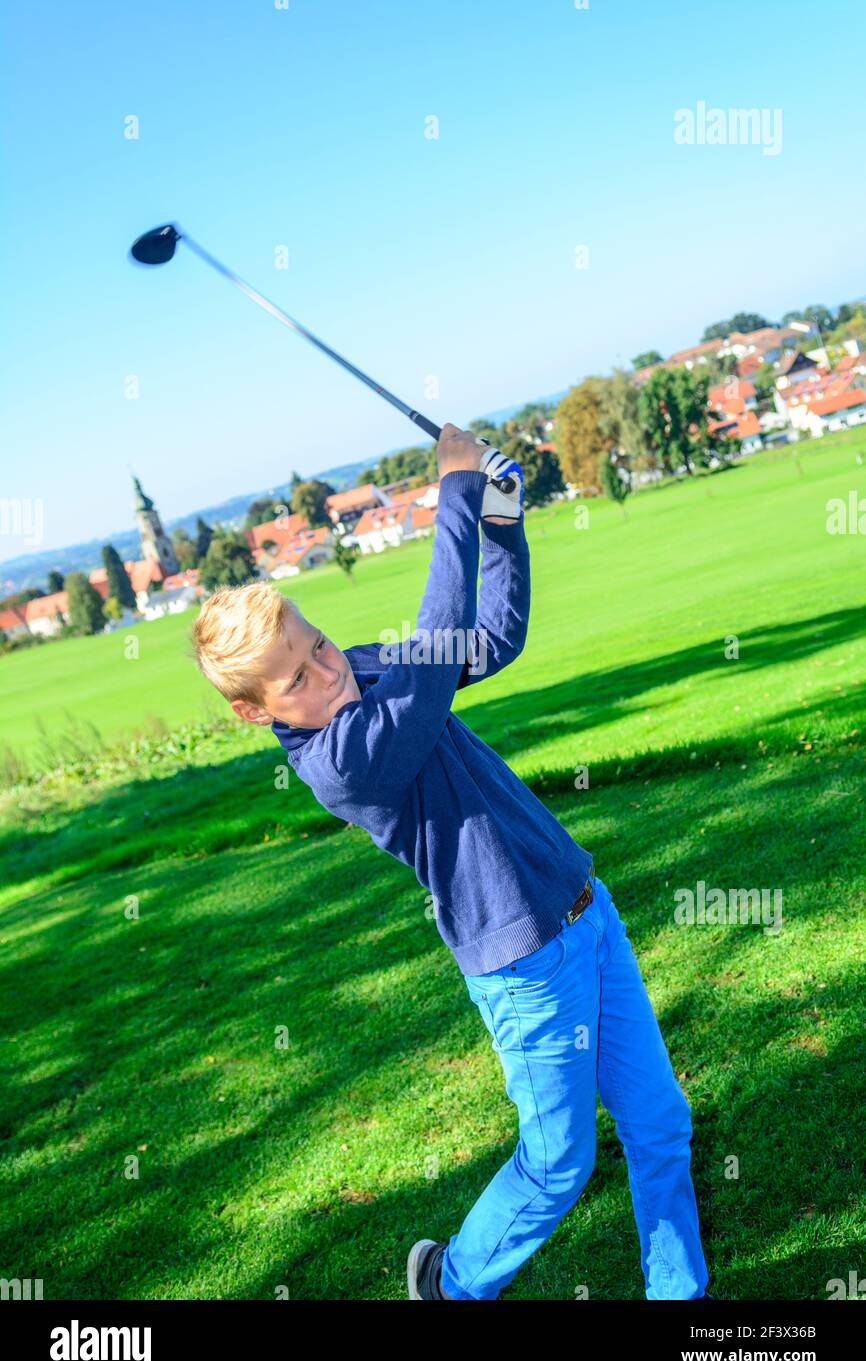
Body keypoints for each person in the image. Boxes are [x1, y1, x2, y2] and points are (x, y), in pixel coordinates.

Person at [190, 423, 713, 1301]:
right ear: (257, 713)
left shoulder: (360, 668)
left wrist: (502, 525)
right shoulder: (339, 761)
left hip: (586, 907)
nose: (329, 670)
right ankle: (450, 1284)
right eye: (299, 678)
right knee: (557, 1164)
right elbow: (432, 668)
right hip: (523, 965)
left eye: (319, 643)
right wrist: (457, 493)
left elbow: (488, 640)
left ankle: (680, 1295)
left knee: (660, 1120)